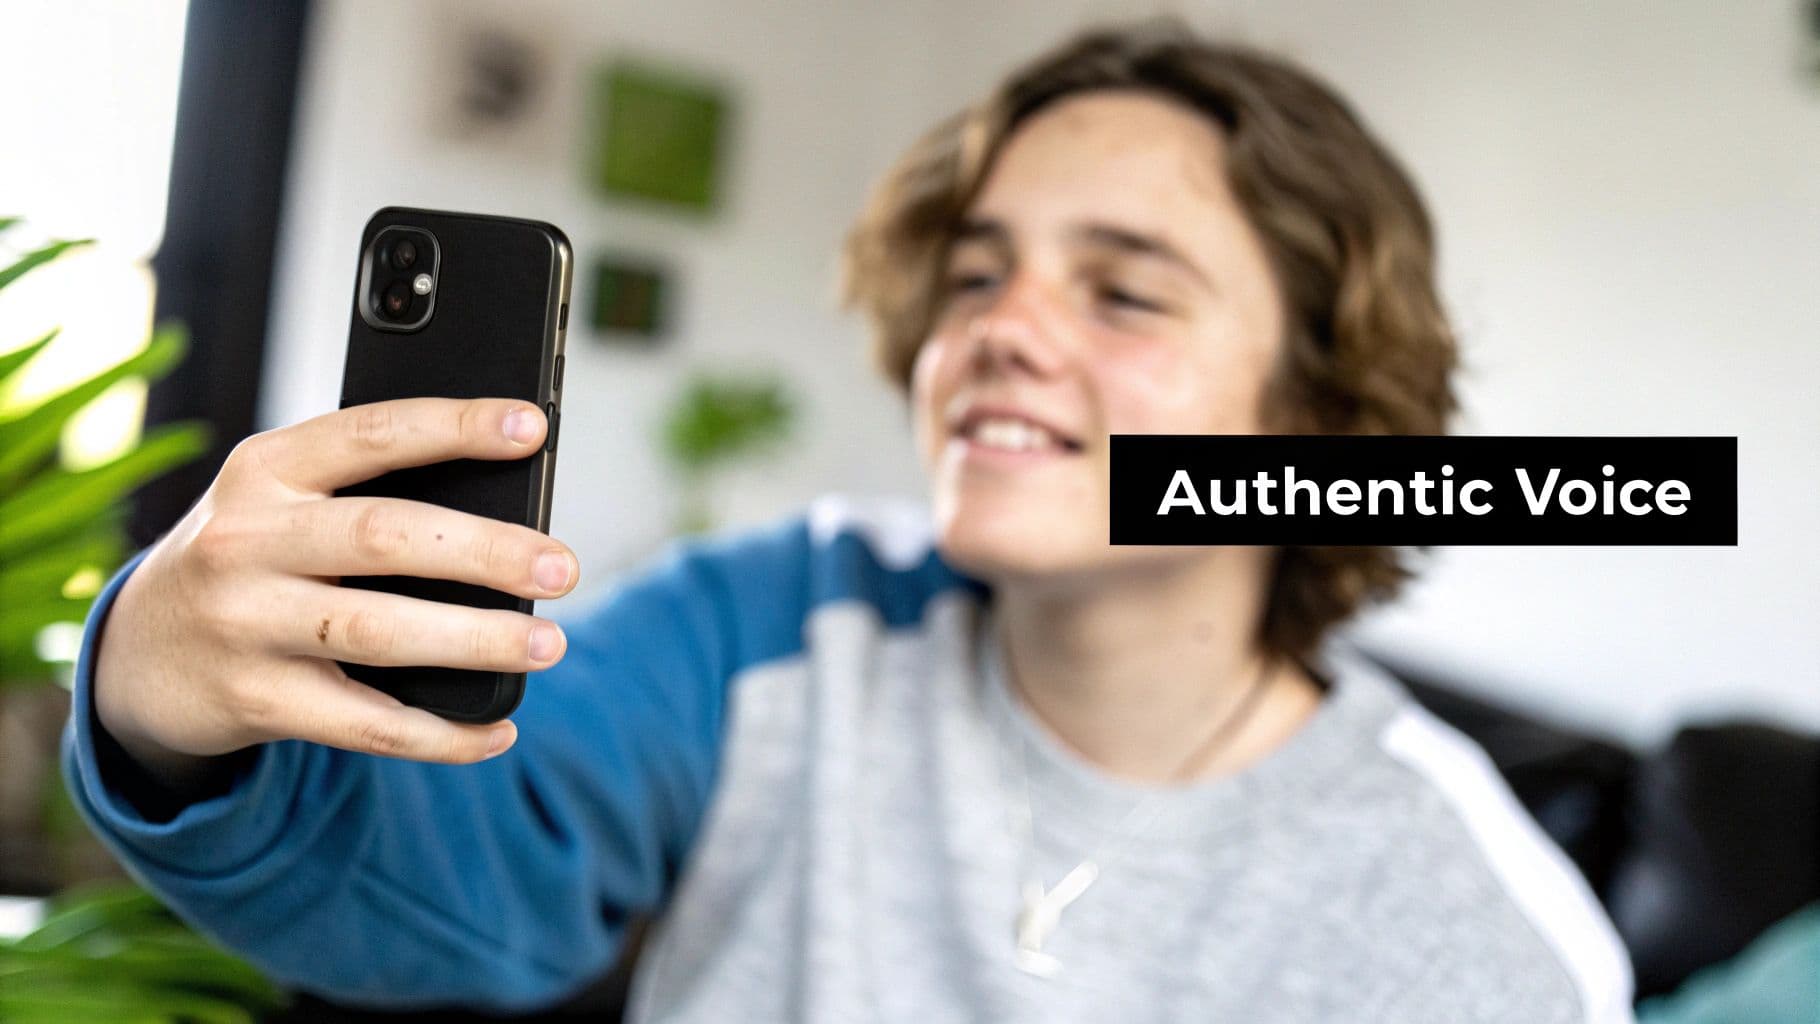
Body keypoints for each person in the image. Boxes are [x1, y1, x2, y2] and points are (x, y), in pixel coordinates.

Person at [63, 19, 1634, 1023]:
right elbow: (423, 899)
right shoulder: (779, 615)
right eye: (975, 274)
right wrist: (160, 696)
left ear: (1317, 410)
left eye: (1124, 289)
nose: (1000, 328)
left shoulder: (1474, 930)